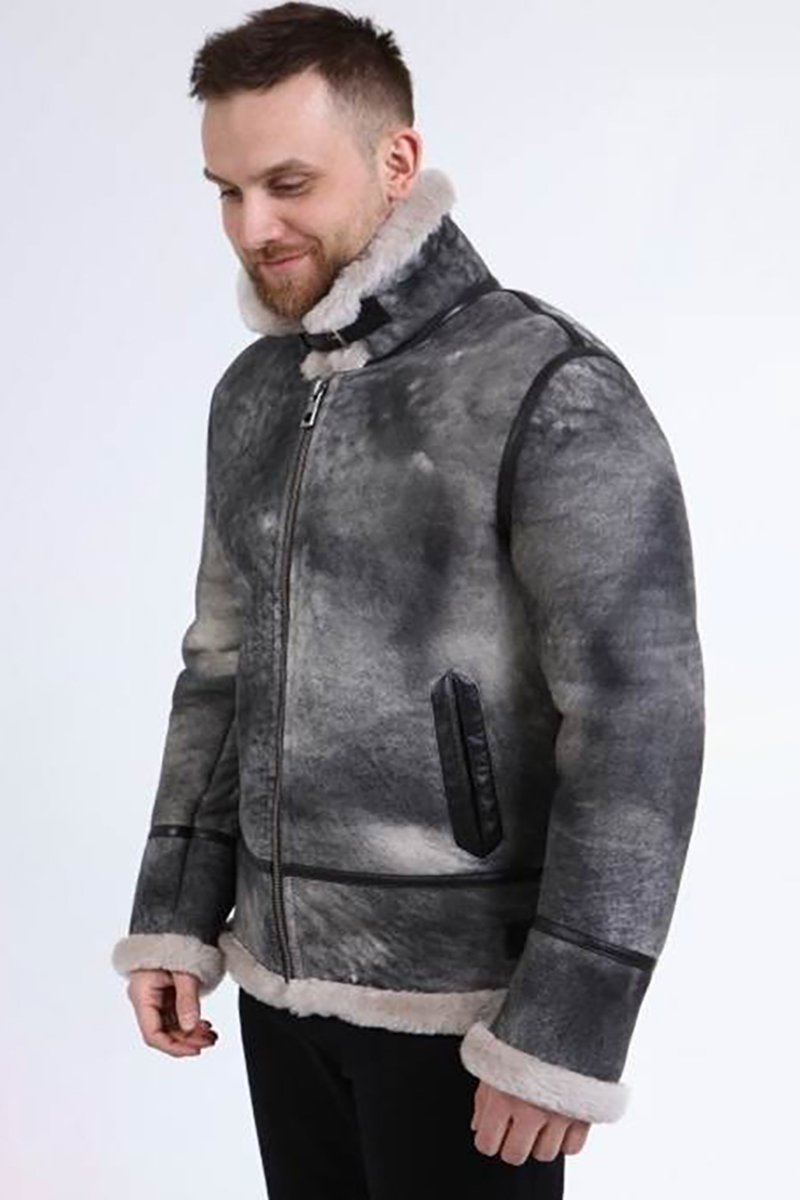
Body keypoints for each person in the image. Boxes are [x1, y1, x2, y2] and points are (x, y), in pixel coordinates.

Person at [110, 5, 705, 1198]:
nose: (253, 227)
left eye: (287, 183)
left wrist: (562, 1028)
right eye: (227, 192)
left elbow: (638, 719)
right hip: (278, 987)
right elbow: (220, 664)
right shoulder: (255, 393)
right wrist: (174, 909)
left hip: (467, 1012)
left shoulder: (546, 384)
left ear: (397, 160)